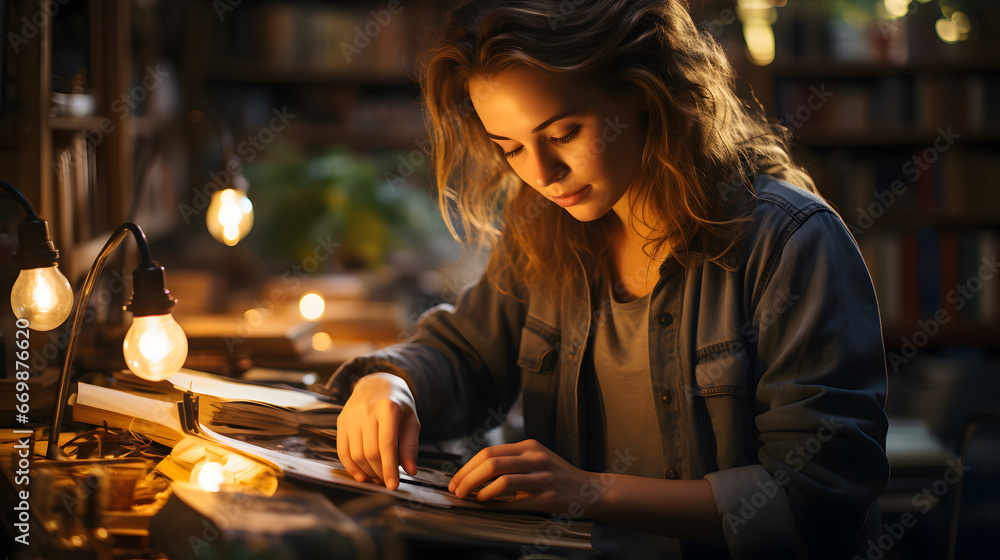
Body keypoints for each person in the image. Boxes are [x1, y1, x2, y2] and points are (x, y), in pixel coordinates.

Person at [320, 0, 889, 557]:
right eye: (511, 147)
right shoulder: (544, 230)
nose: (541, 174)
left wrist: (587, 491)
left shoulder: (791, 242)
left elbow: (817, 500)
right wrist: (391, 382)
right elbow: (467, 352)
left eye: (564, 133)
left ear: (645, 94)